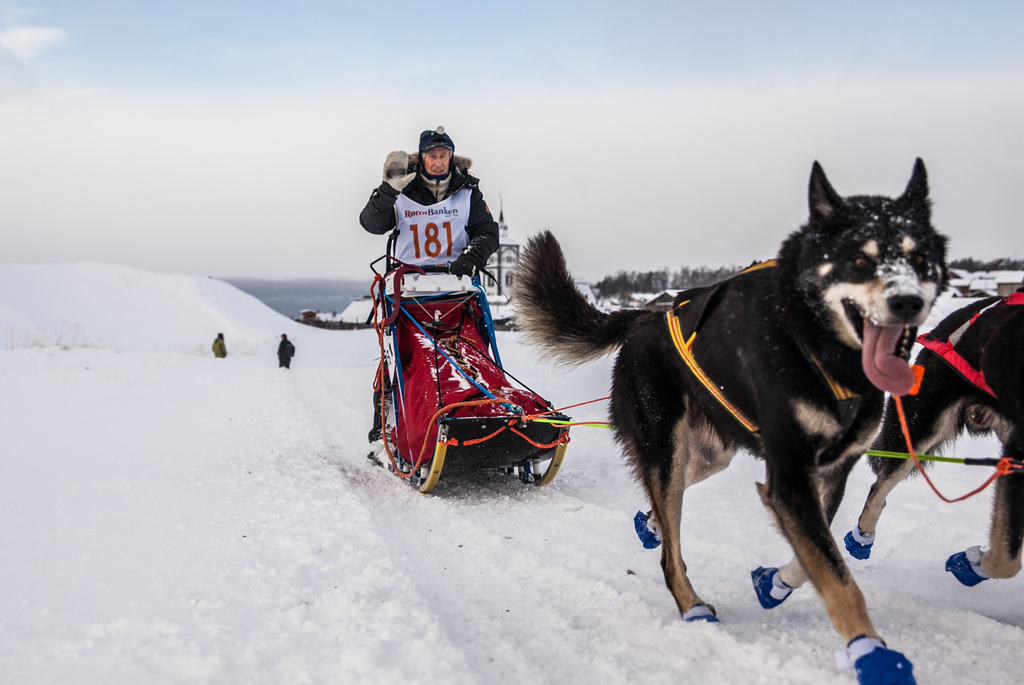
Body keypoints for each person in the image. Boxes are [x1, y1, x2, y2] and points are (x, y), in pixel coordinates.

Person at [359, 126, 500, 458]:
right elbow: (371, 223)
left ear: (452, 158)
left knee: (471, 353)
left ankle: (483, 411)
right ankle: (387, 430)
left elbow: (487, 232)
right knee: (401, 360)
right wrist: (388, 188)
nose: (439, 162)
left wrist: (473, 257)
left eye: (444, 155)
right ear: (422, 159)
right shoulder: (402, 190)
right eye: (433, 156)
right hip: (408, 292)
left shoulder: (468, 192)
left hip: (458, 290)